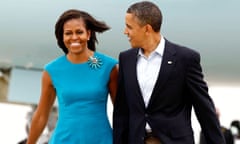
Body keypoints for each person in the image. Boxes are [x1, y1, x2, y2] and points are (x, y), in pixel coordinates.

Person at [113, 1, 225, 144]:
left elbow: (204, 109)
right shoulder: (126, 59)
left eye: (129, 27)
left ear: (147, 29)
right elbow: (122, 111)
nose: (125, 31)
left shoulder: (185, 59)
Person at [26, 9, 118, 144]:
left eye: (79, 32)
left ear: (88, 34)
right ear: (62, 37)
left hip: (102, 140)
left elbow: (121, 112)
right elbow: (41, 116)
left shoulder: (109, 66)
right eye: (68, 33)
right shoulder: (51, 71)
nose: (74, 37)